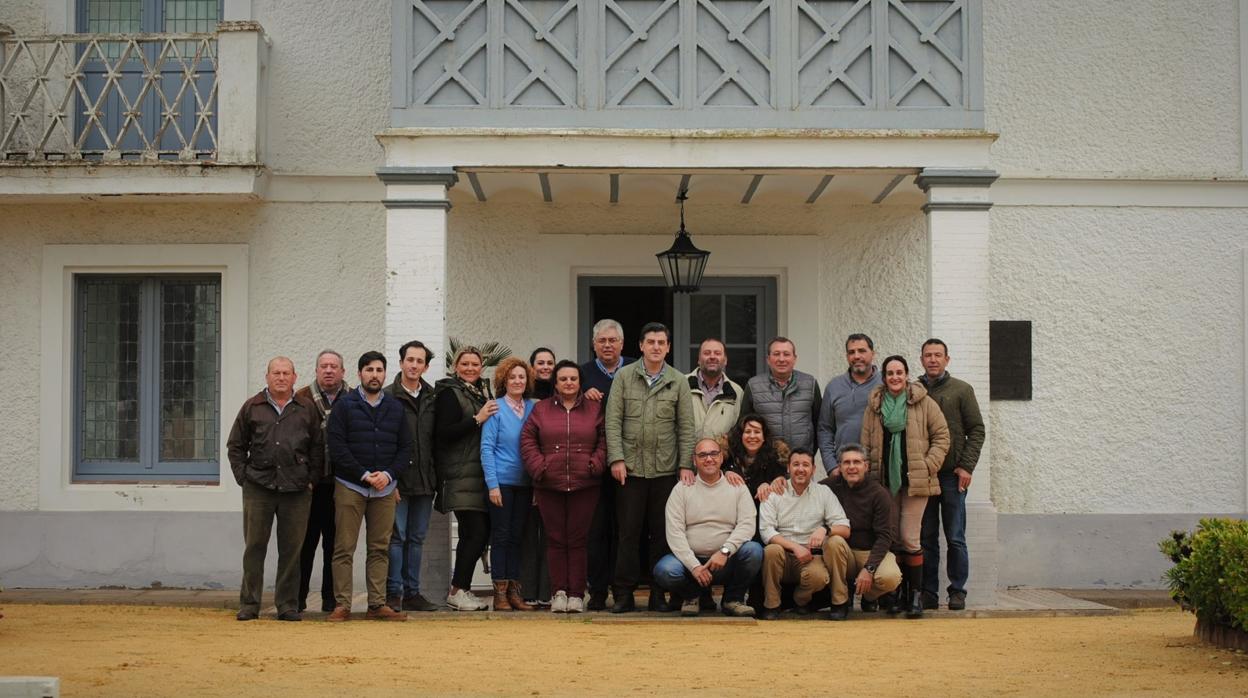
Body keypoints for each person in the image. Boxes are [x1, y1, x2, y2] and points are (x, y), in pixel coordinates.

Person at [604, 322, 696, 613]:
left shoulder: (678, 380)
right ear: (641, 346)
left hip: (666, 471)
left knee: (662, 533)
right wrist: (616, 458)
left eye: (661, 342)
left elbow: (686, 426)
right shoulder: (623, 377)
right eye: (651, 342)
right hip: (629, 470)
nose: (656, 347)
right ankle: (623, 594)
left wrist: (685, 465)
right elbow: (612, 421)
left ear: (668, 347)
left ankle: (659, 593)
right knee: (628, 534)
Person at [227, 357, 324, 622]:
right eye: (276, 373)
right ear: (267, 376)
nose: (281, 378)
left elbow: (318, 447)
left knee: (292, 550)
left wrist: (311, 478)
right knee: (255, 547)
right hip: (259, 487)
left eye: (286, 373)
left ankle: (287, 605)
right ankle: (249, 604)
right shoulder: (252, 407)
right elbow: (235, 446)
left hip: (297, 489)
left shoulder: (306, 408)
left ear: (294, 377)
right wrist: (243, 478)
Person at [861, 354, 950, 619]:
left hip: (915, 482)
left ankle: (915, 596)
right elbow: (864, 442)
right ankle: (895, 594)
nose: (895, 378)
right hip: (885, 482)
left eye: (899, 373)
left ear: (907, 374)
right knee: (893, 539)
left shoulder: (924, 403)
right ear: (884, 377)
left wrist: (928, 465)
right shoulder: (875, 405)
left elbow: (942, 436)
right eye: (890, 373)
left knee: (910, 538)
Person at [326, 351, 411, 622]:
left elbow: (406, 447)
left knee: (379, 548)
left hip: (385, 489)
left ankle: (376, 604)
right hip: (351, 485)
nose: (374, 374)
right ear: (359, 373)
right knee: (344, 547)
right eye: (369, 370)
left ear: (385, 374)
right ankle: (342, 605)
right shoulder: (345, 405)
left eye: (379, 370)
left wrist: (388, 474)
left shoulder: (396, 407)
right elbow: (337, 448)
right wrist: (364, 474)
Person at [521, 360, 606, 613]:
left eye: (573, 379)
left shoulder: (594, 409)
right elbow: (527, 440)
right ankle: (558, 592)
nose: (568, 383)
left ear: (580, 382)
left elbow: (604, 440)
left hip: (585, 484)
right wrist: (540, 468)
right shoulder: (542, 409)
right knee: (556, 539)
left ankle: (577, 594)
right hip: (550, 484)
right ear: (555, 383)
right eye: (563, 379)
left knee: (578, 540)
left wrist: (595, 464)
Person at [652, 438, 762, 617]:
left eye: (713, 454)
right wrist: (694, 566)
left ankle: (732, 600)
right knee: (665, 570)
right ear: (694, 460)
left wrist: (725, 551)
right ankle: (692, 596)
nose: (708, 459)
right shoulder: (682, 489)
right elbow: (675, 533)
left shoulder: (737, 486)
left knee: (754, 551)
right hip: (690, 565)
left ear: (721, 457)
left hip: (726, 561)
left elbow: (747, 524)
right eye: (702, 455)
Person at [918, 338, 985, 611]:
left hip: (952, 476)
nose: (933, 360)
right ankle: (928, 593)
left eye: (938, 355)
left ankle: (957, 591)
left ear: (947, 359)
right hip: (924, 476)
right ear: (921, 359)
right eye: (928, 355)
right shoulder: (915, 390)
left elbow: (977, 430)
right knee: (926, 537)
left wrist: (966, 466)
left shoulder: (962, 390)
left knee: (955, 536)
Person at [433, 346, 497, 611]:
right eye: (465, 364)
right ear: (455, 366)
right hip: (460, 474)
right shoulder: (450, 393)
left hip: (477, 474)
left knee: (476, 534)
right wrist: (476, 419)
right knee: (476, 533)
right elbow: (443, 433)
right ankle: (457, 590)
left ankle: (462, 589)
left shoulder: (481, 392)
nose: (470, 368)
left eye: (475, 364)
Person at [757, 448, 850, 620]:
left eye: (806, 465)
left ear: (813, 469)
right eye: (796, 464)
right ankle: (772, 604)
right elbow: (766, 531)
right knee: (771, 550)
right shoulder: (774, 493)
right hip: (783, 555)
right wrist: (794, 547)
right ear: (788, 468)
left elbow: (844, 526)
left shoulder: (823, 492)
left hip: (810, 556)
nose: (800, 469)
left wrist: (825, 529)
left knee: (819, 577)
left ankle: (799, 600)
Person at [581, 319, 635, 610]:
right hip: (597, 464)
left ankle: (624, 589)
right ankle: (598, 590)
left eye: (613, 340)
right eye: (602, 341)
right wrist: (581, 395)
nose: (607, 345)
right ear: (594, 344)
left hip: (633, 462)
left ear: (622, 344)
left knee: (627, 529)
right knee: (597, 530)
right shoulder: (582, 374)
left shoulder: (636, 369)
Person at [385, 340, 440, 613]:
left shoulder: (432, 397)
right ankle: (393, 593)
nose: (414, 365)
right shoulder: (387, 396)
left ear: (426, 366)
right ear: (401, 363)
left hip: (425, 480)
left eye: (420, 361)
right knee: (397, 537)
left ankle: (413, 592)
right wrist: (390, 480)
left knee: (417, 538)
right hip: (397, 480)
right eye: (410, 360)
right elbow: (382, 442)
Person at [294, 349, 349, 614]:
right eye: (324, 366)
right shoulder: (301, 398)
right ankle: (298, 598)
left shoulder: (353, 399)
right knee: (305, 544)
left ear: (343, 372)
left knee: (335, 546)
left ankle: (330, 599)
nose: (329, 370)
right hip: (311, 485)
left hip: (342, 485)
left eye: (334, 366)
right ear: (316, 371)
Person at [481, 356, 538, 611]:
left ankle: (515, 592)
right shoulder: (495, 408)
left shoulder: (533, 409)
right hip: (501, 483)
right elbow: (486, 449)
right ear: (504, 381)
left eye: (521, 377)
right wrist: (492, 485)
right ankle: (500, 593)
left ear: (527, 381)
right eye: (512, 377)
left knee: (517, 537)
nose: (517, 381)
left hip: (525, 483)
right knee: (501, 537)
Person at [821, 444, 902, 620]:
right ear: (840, 467)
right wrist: (778, 482)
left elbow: (885, 536)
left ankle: (869, 595)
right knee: (833, 541)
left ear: (866, 466)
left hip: (870, 551)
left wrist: (869, 568)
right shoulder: (828, 487)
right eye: (846, 462)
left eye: (856, 462)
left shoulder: (879, 494)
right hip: (843, 553)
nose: (851, 467)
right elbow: (804, 489)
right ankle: (840, 602)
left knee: (891, 577)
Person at [719, 414, 789, 607]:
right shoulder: (727, 459)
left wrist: (772, 483)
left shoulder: (776, 461)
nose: (752, 436)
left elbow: (783, 482)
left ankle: (756, 597)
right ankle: (730, 595)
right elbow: (711, 477)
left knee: (758, 550)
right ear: (740, 435)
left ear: (764, 436)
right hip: (731, 521)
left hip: (763, 522)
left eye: (757, 432)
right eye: (747, 431)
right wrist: (724, 473)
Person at [738, 337, 822, 470]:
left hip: (800, 464)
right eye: (776, 354)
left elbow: (819, 425)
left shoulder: (810, 384)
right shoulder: (754, 386)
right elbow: (742, 426)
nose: (781, 359)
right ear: (768, 359)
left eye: (786, 354)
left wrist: (808, 453)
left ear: (794, 358)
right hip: (765, 464)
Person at [520, 347, 557, 607]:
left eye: (550, 363)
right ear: (531, 367)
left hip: (554, 478)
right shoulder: (522, 398)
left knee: (551, 536)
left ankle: (548, 590)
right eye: (540, 362)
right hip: (526, 475)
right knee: (528, 536)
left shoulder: (561, 397)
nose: (545, 367)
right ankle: (527, 591)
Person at [817, 333, 882, 478]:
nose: (857, 356)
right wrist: (832, 466)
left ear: (873, 354)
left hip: (879, 472)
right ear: (847, 356)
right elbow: (824, 429)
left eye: (862, 351)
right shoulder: (834, 387)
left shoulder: (885, 384)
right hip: (845, 470)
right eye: (851, 352)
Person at [687, 337, 743, 441]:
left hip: (721, 456)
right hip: (686, 456)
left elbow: (738, 431)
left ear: (725, 360)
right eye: (707, 353)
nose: (712, 357)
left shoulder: (737, 392)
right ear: (698, 359)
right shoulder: (682, 385)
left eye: (717, 353)